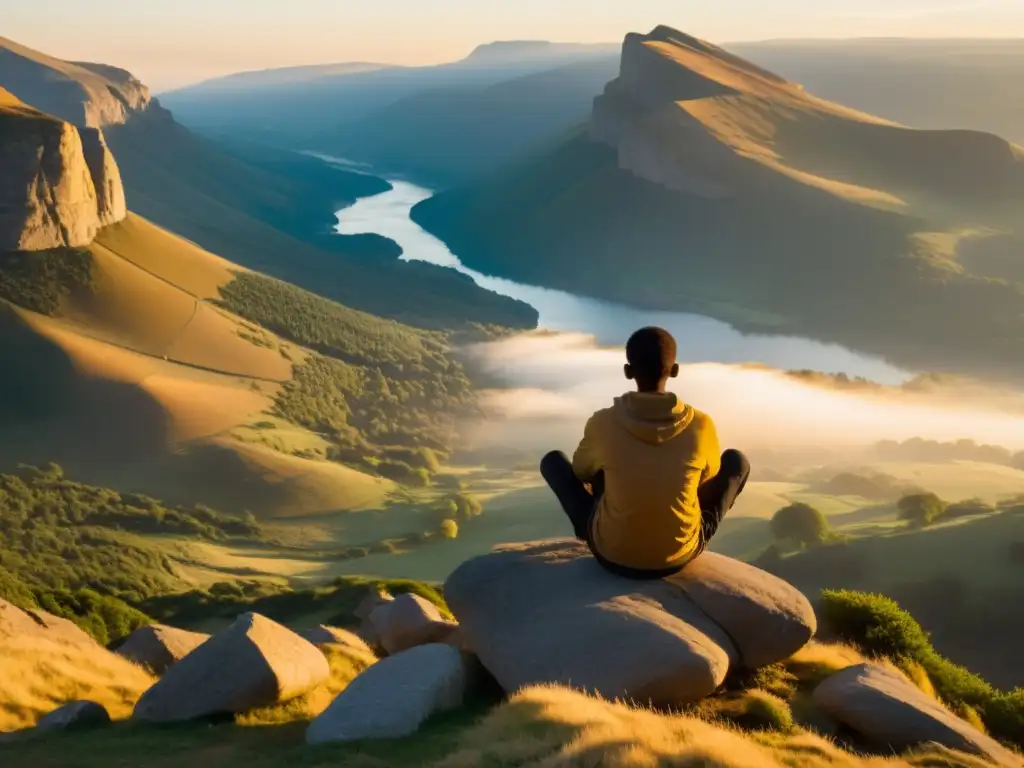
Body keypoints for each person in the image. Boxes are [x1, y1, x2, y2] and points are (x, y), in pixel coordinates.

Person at [540, 326, 750, 579]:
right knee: (737, 461)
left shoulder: (603, 422)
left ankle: (590, 530)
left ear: (628, 371)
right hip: (678, 558)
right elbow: (708, 478)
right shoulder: (701, 425)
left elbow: (581, 471)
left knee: (553, 462)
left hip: (611, 555)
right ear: (675, 370)